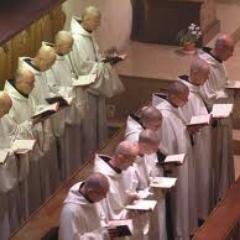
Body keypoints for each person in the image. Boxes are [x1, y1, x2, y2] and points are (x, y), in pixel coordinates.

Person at [70, 6, 125, 156]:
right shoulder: (76, 39)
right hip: (86, 90)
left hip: (94, 89)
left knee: (96, 126)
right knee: (89, 128)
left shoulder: (88, 34)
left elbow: (94, 58)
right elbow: (83, 68)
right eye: (96, 21)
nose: (99, 25)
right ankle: (88, 156)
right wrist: (104, 65)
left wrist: (106, 60)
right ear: (87, 20)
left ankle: (97, 152)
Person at [4, 66, 60, 213]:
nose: (33, 86)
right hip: (15, 161)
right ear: (18, 82)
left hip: (28, 150)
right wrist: (32, 122)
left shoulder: (24, 94)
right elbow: (13, 133)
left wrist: (41, 114)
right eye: (30, 83)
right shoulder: (9, 103)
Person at [153, 81, 197, 240]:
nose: (185, 102)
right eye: (183, 99)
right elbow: (163, 145)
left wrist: (188, 131)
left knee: (184, 198)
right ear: (172, 96)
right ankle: (178, 234)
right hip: (174, 167)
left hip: (183, 163)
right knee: (177, 202)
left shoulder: (174, 109)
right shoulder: (163, 115)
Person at [199, 34, 235, 201]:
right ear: (220, 48)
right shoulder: (206, 65)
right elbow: (207, 95)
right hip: (216, 119)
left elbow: (222, 84)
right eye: (231, 50)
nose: (233, 54)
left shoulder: (218, 62)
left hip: (224, 113)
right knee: (217, 161)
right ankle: (218, 195)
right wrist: (228, 92)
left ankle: (226, 192)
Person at [178, 58, 213, 222]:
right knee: (197, 178)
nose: (207, 79)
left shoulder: (196, 89)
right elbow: (181, 122)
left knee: (203, 176)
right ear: (194, 73)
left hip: (203, 143)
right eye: (205, 76)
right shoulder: (184, 93)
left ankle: (202, 212)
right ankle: (198, 215)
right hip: (194, 145)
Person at [124, 129, 167, 240]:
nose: (153, 152)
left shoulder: (143, 155)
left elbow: (147, 175)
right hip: (136, 210)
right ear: (143, 144)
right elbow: (128, 189)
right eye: (153, 148)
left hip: (146, 203)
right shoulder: (129, 160)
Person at [59, 173, 110, 240]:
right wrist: (100, 235)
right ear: (91, 192)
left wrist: (106, 230)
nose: (105, 197)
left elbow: (101, 219)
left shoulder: (92, 198)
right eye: (103, 194)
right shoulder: (70, 211)